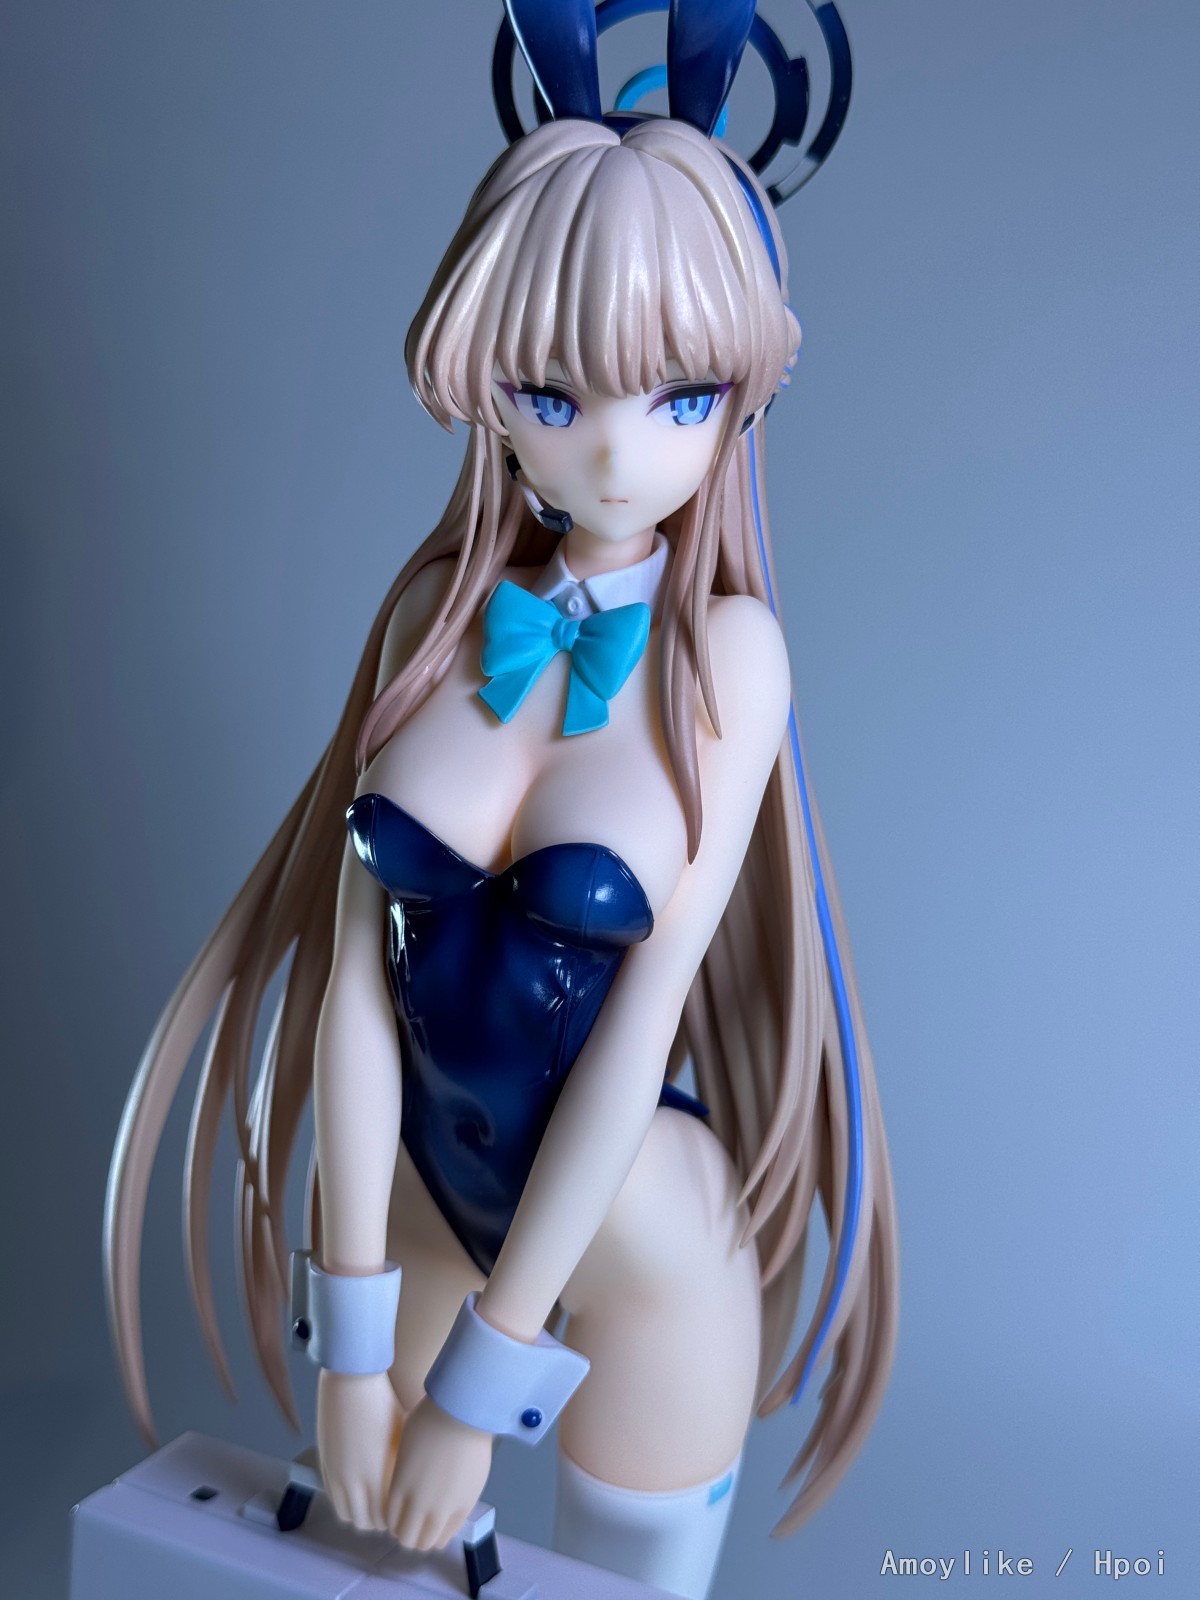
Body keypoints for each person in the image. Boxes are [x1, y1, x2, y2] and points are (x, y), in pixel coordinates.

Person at [105, 32, 897, 1600]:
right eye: (555, 389)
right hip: (400, 1212)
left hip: (638, 1245)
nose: (612, 446)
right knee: (349, 1574)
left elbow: (641, 1018)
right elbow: (351, 986)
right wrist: (349, 1349)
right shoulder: (434, 616)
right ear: (487, 382)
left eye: (681, 394)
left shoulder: (730, 658)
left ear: (741, 395)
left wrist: (485, 1385)